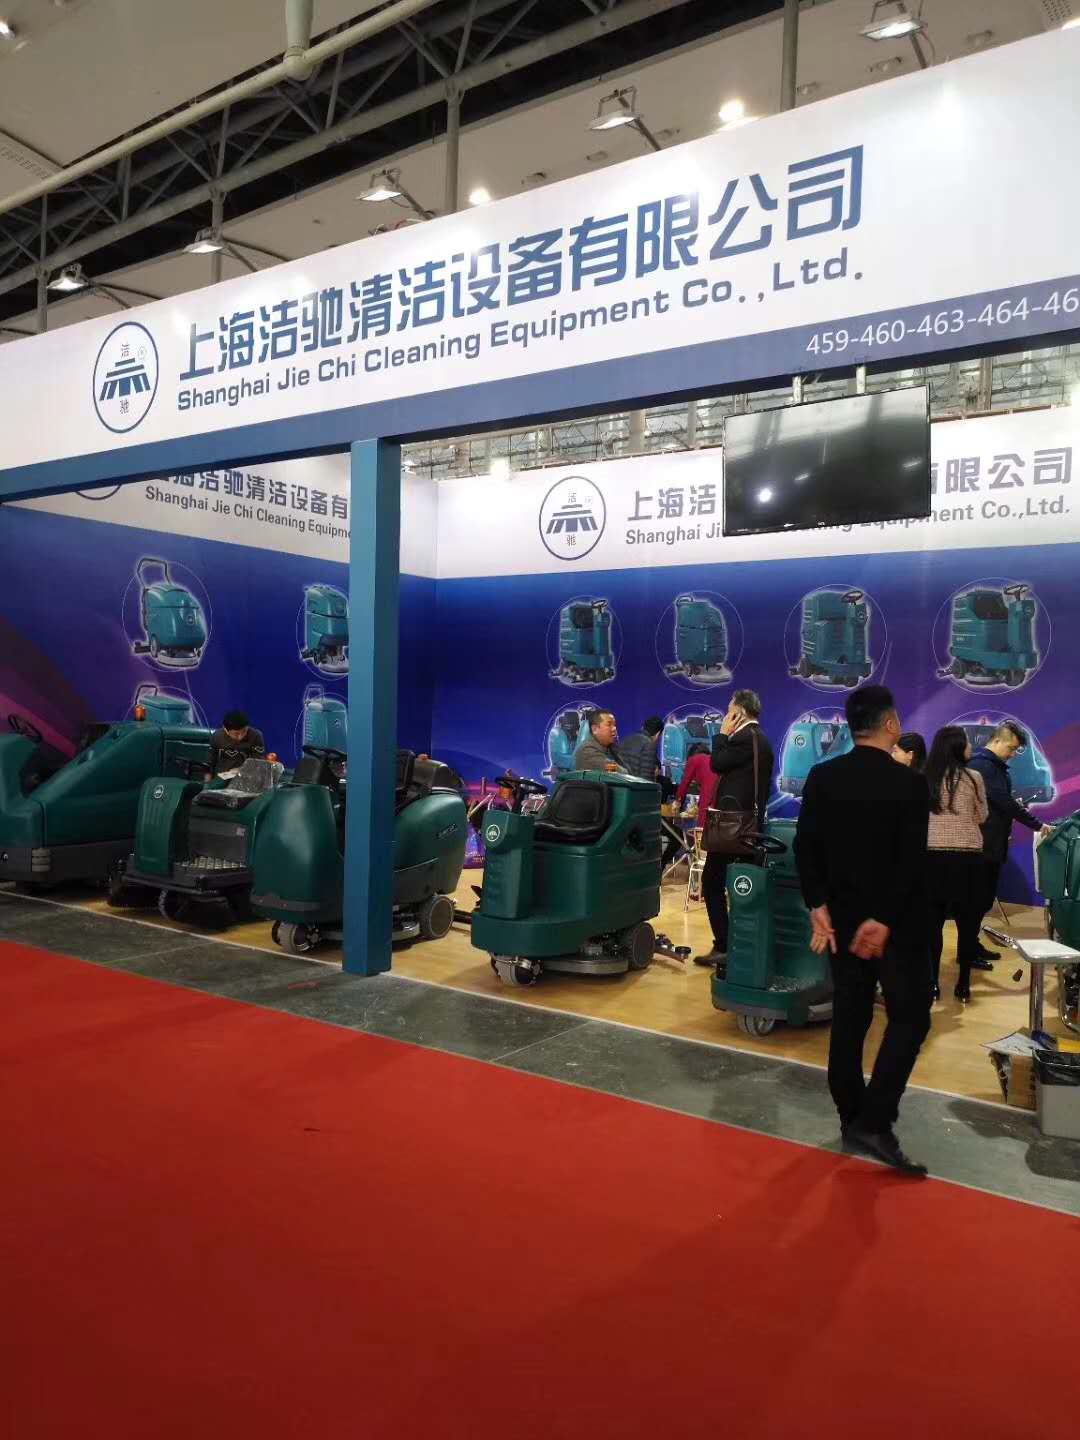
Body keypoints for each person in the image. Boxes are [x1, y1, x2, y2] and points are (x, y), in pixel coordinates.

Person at [793, 684, 931, 1175]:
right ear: (890, 724)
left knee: (851, 1016)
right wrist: (885, 918)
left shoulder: (823, 777)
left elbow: (805, 846)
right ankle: (874, 1119)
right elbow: (910, 862)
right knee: (910, 1017)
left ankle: (852, 1115)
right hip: (895, 927)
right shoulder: (910, 785)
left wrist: (817, 905)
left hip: (843, 920)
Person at [695, 690, 774, 968]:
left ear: (738, 713)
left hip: (733, 829)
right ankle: (741, 946)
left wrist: (721, 734)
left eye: (729, 711)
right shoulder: (761, 740)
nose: (726, 716)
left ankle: (724, 945)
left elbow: (716, 763)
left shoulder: (742, 739)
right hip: (749, 827)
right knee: (743, 888)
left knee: (713, 883)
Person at [967, 721, 1053, 963]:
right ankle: (967, 951)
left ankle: (971, 945)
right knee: (976, 901)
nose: (1013, 754)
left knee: (982, 900)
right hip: (981, 846)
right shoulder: (983, 766)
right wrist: (1038, 825)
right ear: (996, 740)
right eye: (1011, 748)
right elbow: (1004, 802)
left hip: (991, 843)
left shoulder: (994, 766)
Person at [925, 726, 988, 1004]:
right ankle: (963, 983)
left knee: (933, 924)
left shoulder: (925, 778)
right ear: (957, 747)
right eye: (967, 743)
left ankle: (933, 983)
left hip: (932, 857)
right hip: (968, 858)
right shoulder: (974, 777)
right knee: (967, 922)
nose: (971, 747)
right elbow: (982, 815)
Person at [210, 710, 266, 777]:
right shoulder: (217, 737)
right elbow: (211, 761)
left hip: (247, 775)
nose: (240, 737)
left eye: (244, 731)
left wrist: (242, 769)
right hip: (222, 775)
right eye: (236, 734)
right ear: (225, 730)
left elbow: (258, 761)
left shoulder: (256, 736)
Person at [675, 743, 717, 818]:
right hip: (719, 798)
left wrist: (677, 803)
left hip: (707, 799)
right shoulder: (713, 759)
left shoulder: (694, 759)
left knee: (703, 822)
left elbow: (684, 785)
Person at [620, 716, 663, 781]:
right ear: (658, 734)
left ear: (642, 727)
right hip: (635, 785)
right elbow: (647, 779)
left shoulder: (626, 739)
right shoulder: (649, 745)